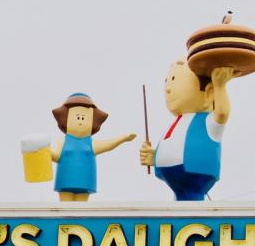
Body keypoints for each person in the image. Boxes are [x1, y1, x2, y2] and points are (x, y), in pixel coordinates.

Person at [139, 61, 232, 200]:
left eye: (174, 80)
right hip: (175, 183)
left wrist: (220, 86)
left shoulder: (207, 121)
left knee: (189, 210)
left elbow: (222, 112)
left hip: (195, 175)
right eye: (167, 81)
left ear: (208, 93)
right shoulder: (177, 123)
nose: (167, 89)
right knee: (180, 209)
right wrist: (155, 157)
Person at [51, 93, 136, 201]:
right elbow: (56, 156)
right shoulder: (63, 141)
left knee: (82, 210)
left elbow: (108, 145)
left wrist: (123, 138)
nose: (80, 120)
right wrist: (44, 151)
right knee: (65, 206)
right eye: (77, 117)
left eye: (83, 117)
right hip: (65, 180)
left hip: (85, 182)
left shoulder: (90, 143)